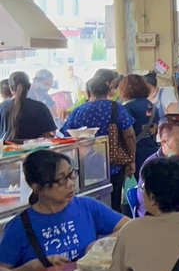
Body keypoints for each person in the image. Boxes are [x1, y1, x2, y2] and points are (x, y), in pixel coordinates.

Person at [62, 76, 138, 209]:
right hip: (114, 163)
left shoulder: (79, 111)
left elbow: (65, 135)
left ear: (89, 92)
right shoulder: (116, 108)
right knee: (114, 202)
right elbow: (129, 135)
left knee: (89, 202)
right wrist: (131, 160)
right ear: (108, 91)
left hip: (86, 166)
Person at [0, 72, 57, 143]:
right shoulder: (40, 108)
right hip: (35, 152)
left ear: (11, 88)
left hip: (6, 152)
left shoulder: (1, 108)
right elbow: (48, 137)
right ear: (29, 87)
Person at [120, 74, 160, 172]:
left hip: (135, 153)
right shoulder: (152, 106)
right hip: (152, 151)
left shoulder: (126, 108)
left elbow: (127, 134)